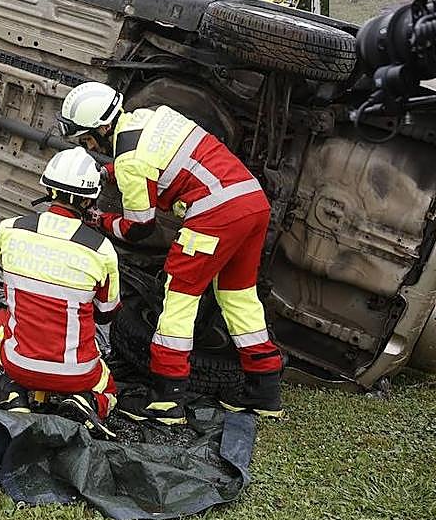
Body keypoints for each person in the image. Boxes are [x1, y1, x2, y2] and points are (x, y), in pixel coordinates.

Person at [58, 82, 284, 422]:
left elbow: (139, 227)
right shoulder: (151, 116)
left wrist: (100, 220)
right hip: (251, 201)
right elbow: (157, 159)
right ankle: (264, 391)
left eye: (86, 138)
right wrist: (107, 173)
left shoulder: (131, 161)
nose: (87, 146)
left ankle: (167, 397)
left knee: (179, 297)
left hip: (215, 213)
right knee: (238, 296)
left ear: (102, 128)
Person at [0, 147, 121, 439]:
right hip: (76, 373)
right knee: (106, 384)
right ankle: (88, 401)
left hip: (19, 364)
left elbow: (6, 272)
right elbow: (106, 313)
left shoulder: (9, 229)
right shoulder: (101, 249)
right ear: (89, 198)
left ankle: (12, 392)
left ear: (48, 188)